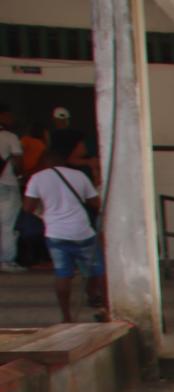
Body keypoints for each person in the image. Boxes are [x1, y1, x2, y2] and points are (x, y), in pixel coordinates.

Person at [22, 130, 104, 322]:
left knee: (62, 274)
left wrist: (43, 213)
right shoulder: (78, 176)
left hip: (56, 233)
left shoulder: (38, 179)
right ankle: (95, 297)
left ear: (45, 163)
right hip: (82, 230)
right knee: (96, 270)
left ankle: (66, 316)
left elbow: (27, 208)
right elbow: (95, 203)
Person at [0, 104, 25, 273]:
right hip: (6, 184)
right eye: (9, 115)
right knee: (7, 224)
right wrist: (21, 177)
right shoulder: (10, 137)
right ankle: (7, 261)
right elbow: (17, 162)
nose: (12, 119)